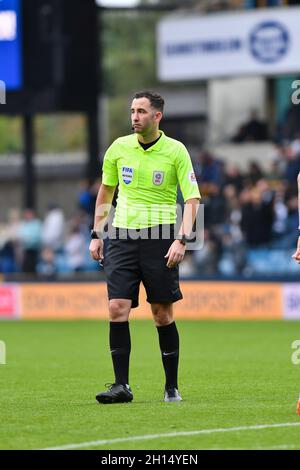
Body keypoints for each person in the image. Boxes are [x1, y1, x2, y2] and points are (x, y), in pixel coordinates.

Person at [89, 90, 200, 404]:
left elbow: (192, 200)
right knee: (116, 308)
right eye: (132, 111)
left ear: (157, 116)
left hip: (161, 236)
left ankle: (171, 387)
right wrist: (97, 233)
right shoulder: (118, 148)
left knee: (162, 314)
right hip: (122, 236)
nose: (134, 117)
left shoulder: (176, 151)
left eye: (141, 111)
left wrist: (182, 239)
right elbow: (105, 194)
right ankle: (121, 385)